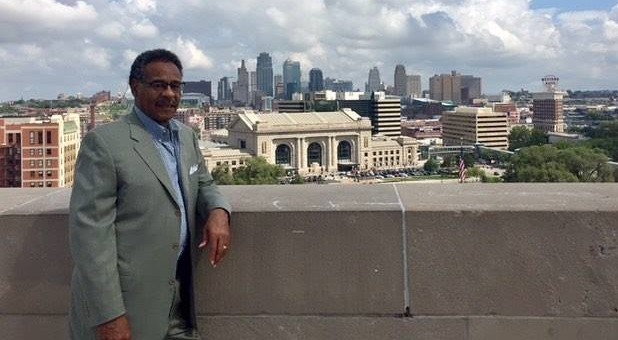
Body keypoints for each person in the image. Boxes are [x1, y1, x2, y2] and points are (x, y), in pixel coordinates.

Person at [69, 49, 231, 340]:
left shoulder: (186, 136)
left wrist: (218, 211)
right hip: (129, 309)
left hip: (179, 300)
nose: (169, 94)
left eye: (176, 86)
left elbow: (204, 183)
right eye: (159, 85)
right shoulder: (104, 144)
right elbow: (90, 239)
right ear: (135, 87)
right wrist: (109, 316)